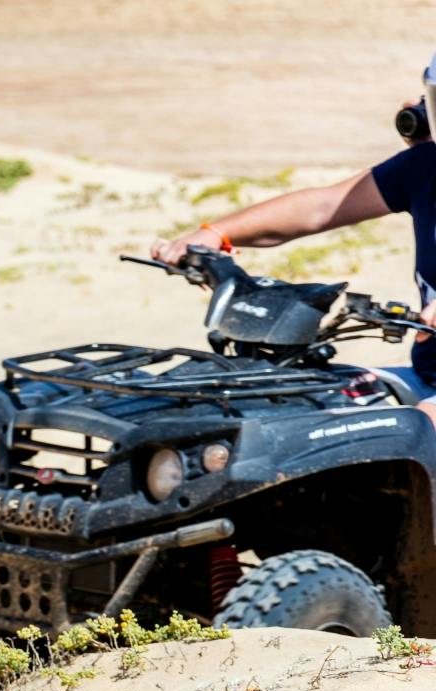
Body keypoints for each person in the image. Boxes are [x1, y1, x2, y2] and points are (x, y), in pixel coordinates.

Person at [152, 50, 436, 416]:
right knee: (301, 402)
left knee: (415, 429)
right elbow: (321, 207)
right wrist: (216, 233)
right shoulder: (424, 168)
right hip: (427, 376)